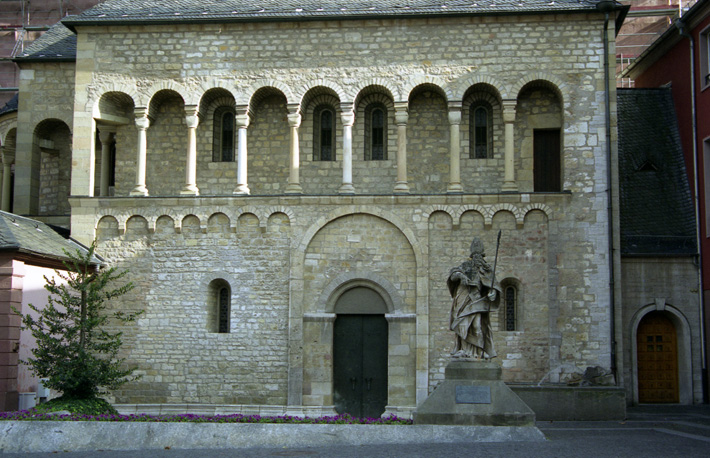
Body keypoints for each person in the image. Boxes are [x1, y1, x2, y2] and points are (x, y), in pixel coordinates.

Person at [447, 237, 502, 359]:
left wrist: (492, 292)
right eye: (475, 255)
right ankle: (463, 349)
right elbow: (453, 274)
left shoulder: (486, 270)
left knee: (477, 325)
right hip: (463, 299)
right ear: (472, 256)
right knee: (462, 324)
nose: (477, 258)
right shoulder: (466, 266)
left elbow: (492, 284)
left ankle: (479, 351)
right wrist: (460, 276)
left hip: (476, 301)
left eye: (480, 255)